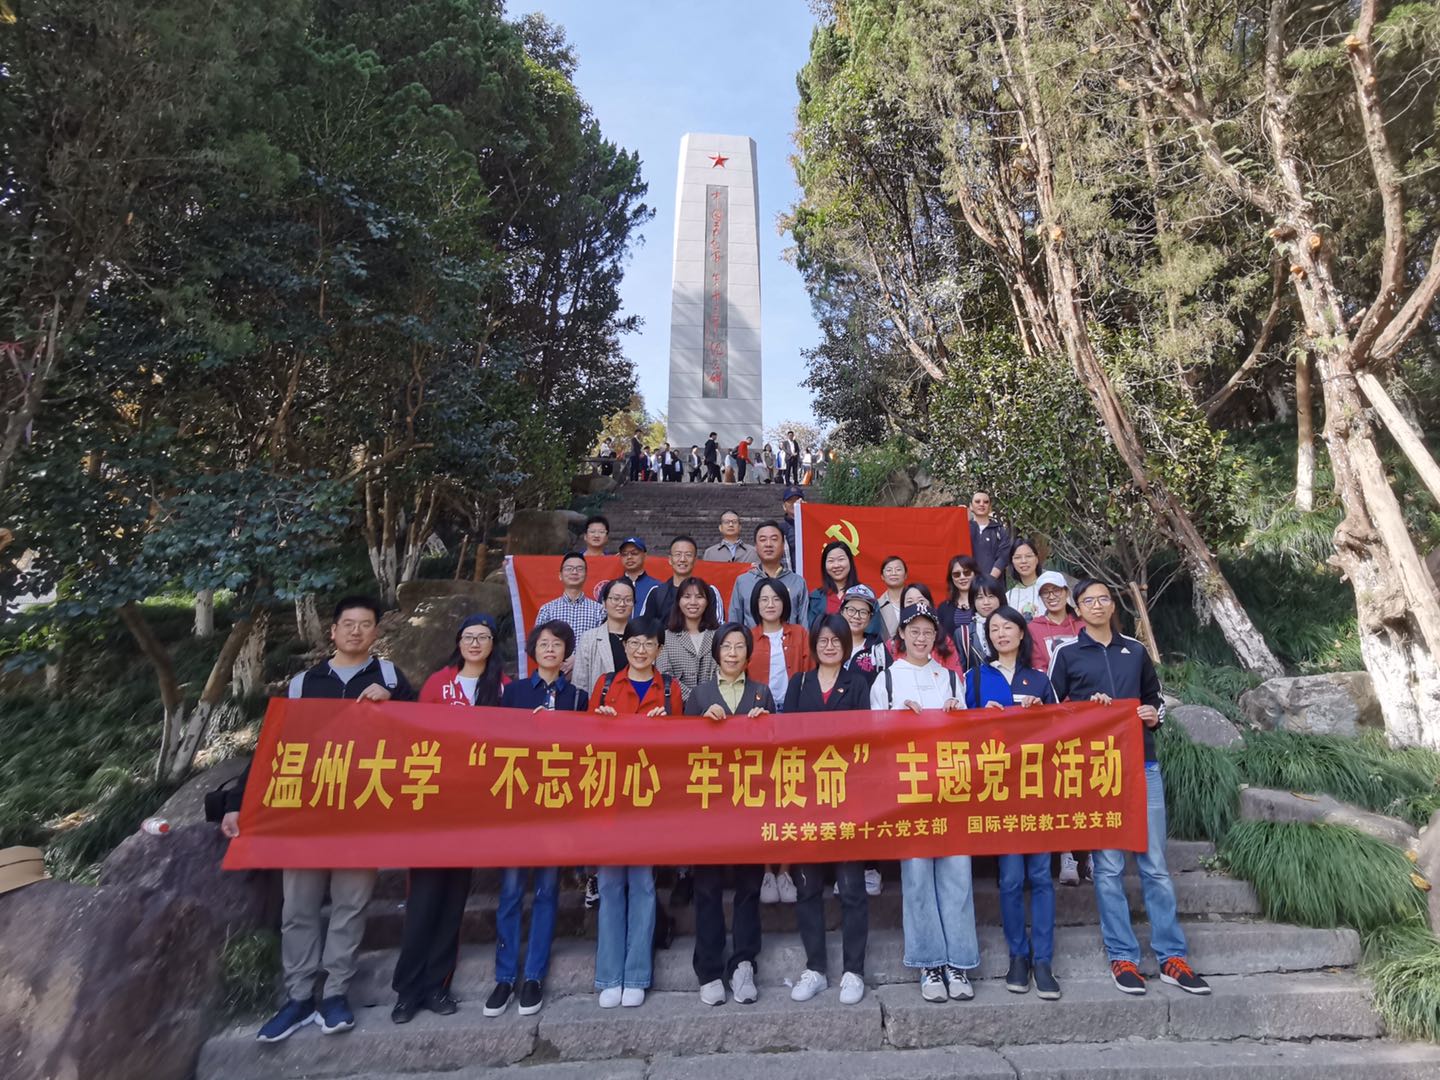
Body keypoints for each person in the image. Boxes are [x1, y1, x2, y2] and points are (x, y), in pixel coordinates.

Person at [220, 596, 413, 1042]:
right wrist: (238, 801)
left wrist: (397, 700)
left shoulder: (389, 677)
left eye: (365, 624)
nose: (356, 631)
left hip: (362, 810)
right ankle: (299, 996)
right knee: (298, 907)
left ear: (376, 632)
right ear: (333, 631)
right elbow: (275, 746)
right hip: (305, 815)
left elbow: (423, 732)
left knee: (351, 904)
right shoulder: (304, 683)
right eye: (348, 624)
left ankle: (336, 992)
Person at [1050, 579, 1211, 998]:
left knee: (1154, 864)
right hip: (1098, 770)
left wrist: (1153, 716)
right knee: (1107, 868)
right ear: (1077, 609)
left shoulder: (1135, 651)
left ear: (1112, 605)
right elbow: (1054, 714)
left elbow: (1155, 700)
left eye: (1103, 598)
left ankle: (1172, 957)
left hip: (1142, 765)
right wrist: (1087, 711)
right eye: (1088, 600)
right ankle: (1122, 956)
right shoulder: (1067, 654)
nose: (1097, 605)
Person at [869, 602, 976, 1003]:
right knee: (917, 877)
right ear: (901, 635)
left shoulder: (950, 678)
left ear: (936, 636)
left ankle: (959, 961)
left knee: (957, 874)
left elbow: (968, 736)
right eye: (913, 630)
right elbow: (874, 740)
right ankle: (929, 962)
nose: (920, 637)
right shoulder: (887, 681)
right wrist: (897, 718)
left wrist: (957, 713)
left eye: (927, 631)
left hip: (950, 789)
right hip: (909, 792)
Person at [482, 621, 589, 1020]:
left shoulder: (577, 697)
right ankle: (504, 977)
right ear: (533, 650)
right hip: (519, 807)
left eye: (557, 645)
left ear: (566, 653)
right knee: (511, 892)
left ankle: (534, 976)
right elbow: (498, 742)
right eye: (543, 644)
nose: (550, 650)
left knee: (547, 892)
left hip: (557, 808)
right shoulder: (513, 693)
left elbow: (587, 751)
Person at [962, 606, 1062, 1002]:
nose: (1001, 633)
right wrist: (978, 719)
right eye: (994, 629)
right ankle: (1018, 956)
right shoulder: (975, 677)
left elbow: (1063, 731)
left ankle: (1044, 961)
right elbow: (959, 734)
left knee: (1041, 876)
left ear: (1022, 633)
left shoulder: (1039, 679)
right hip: (998, 791)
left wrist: (1043, 714)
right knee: (1010, 878)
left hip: (1035, 789)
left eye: (1008, 627)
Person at [588, 618, 685, 1009]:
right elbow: (585, 744)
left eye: (649, 644)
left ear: (659, 649)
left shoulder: (670, 690)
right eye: (634, 643)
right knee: (611, 885)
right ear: (624, 646)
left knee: (643, 885)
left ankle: (637, 974)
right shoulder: (605, 686)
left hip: (649, 802)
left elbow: (681, 750)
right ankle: (609, 975)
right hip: (610, 800)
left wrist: (667, 728)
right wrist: (600, 724)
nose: (641, 650)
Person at [783, 615, 872, 1006]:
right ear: (814, 645)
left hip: (846, 797)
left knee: (851, 888)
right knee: (807, 887)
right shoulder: (799, 684)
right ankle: (816, 968)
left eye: (836, 640)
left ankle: (854, 971)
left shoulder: (858, 683)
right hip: (805, 798)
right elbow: (785, 737)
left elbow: (866, 737)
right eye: (823, 640)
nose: (830, 646)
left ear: (845, 645)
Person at [686, 623, 776, 1005]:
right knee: (706, 887)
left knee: (748, 886)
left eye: (740, 647)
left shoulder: (761, 693)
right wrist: (700, 724)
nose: (733, 653)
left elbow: (776, 749)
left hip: (750, 804)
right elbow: (680, 751)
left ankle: (743, 964)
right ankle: (709, 970)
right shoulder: (699, 694)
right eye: (727, 646)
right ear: (716, 652)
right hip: (708, 805)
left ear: (748, 654)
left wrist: (764, 724)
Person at [728, 522, 807, 628]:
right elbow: (734, 624)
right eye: (763, 540)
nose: (768, 544)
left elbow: (804, 624)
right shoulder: (743, 582)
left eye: (774, 539)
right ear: (756, 546)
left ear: (783, 545)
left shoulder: (797, 582)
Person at [656, 577, 720, 702]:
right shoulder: (666, 637)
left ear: (707, 601)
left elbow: (724, 673)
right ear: (678, 601)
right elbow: (665, 676)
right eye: (687, 597)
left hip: (715, 706)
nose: (693, 602)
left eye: (699, 597)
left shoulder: (719, 635)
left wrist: (709, 701)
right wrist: (695, 701)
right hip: (678, 706)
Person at [574, 578, 634, 703]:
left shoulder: (641, 637)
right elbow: (579, 685)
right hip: (599, 708)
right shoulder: (589, 638)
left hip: (633, 708)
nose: (622, 604)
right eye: (616, 599)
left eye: (628, 599)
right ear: (604, 602)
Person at [535, 554, 605, 657]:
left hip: (588, 665)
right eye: (569, 568)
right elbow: (538, 643)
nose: (574, 572)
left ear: (586, 575)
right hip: (555, 665)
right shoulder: (547, 610)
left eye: (579, 569)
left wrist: (578, 659)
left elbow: (603, 646)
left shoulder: (599, 610)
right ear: (560, 575)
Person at [642, 535, 724, 623]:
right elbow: (644, 626)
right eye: (678, 554)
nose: (682, 559)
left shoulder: (709, 591)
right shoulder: (656, 593)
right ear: (670, 559)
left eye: (688, 555)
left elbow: (718, 626)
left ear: (695, 560)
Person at [936, 555, 986, 670]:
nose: (962, 577)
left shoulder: (986, 604)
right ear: (951, 578)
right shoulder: (944, 608)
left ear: (975, 574)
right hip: (952, 665)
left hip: (983, 665)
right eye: (956, 574)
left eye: (967, 573)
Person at [1028, 570, 1083, 671]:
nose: (1051, 596)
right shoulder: (1033, 629)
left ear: (1067, 592)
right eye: (1045, 592)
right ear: (1040, 597)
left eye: (1056, 590)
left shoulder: (1082, 624)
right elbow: (1038, 666)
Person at [839, 584, 890, 689]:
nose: (856, 616)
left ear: (870, 617)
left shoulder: (878, 650)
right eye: (851, 610)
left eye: (863, 612)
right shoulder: (829, 644)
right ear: (842, 611)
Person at [805, 539, 860, 627]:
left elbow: (873, 630)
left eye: (841, 559)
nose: (836, 565)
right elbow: (812, 629)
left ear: (850, 561)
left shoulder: (864, 593)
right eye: (831, 561)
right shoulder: (815, 597)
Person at [969, 490, 1014, 584]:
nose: (982, 504)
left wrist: (989, 581)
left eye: (986, 502)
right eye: (977, 501)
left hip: (994, 586)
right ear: (971, 506)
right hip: (968, 585)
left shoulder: (999, 530)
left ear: (990, 507)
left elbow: (1003, 557)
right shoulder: (963, 529)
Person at [614, 536, 661, 613]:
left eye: (634, 553)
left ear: (644, 555)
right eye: (624, 554)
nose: (629, 557)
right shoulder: (612, 587)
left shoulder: (657, 587)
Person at [1006, 538, 1045, 620]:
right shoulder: (1008, 596)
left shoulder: (1049, 588)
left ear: (1036, 559)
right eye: (1017, 557)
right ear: (1012, 562)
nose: (1023, 561)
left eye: (1028, 556)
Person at [875, 554, 908, 639]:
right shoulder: (877, 605)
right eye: (889, 570)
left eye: (898, 569)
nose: (893, 573)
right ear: (882, 576)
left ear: (905, 575)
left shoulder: (916, 600)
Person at [780, 487, 802, 568]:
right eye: (790, 501)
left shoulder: (813, 526)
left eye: (797, 500)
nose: (794, 503)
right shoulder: (780, 529)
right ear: (784, 506)